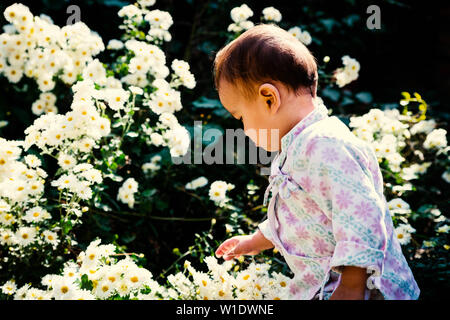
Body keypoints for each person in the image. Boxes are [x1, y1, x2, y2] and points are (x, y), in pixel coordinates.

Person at [213, 24, 420, 300]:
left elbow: (361, 217)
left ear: (269, 99)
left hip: (366, 291)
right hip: (325, 288)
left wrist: (352, 285)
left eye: (241, 117)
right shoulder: (298, 146)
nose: (243, 128)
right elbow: (301, 216)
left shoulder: (326, 145)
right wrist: (255, 241)